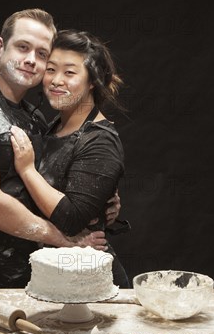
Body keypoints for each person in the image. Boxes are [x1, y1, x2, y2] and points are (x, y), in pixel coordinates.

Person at [0, 9, 117, 289]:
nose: (31, 60)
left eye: (42, 54)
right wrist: (66, 240)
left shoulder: (36, 118)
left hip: (33, 278)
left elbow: (51, 184)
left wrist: (101, 201)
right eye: (23, 47)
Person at [10, 30, 130, 287]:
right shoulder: (54, 126)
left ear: (92, 82)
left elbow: (72, 219)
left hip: (89, 279)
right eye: (51, 70)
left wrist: (27, 170)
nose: (55, 80)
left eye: (70, 73)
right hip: (54, 273)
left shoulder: (100, 139)